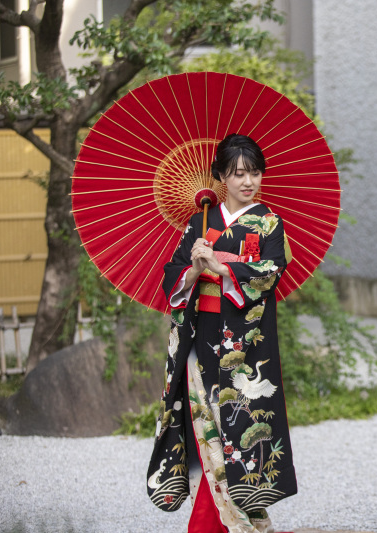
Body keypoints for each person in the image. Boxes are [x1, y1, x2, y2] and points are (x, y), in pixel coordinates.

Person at [147, 134, 296, 533]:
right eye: (238, 174)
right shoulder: (200, 222)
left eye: (255, 173)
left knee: (239, 434)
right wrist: (196, 268)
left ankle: (238, 520)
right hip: (202, 339)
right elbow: (172, 279)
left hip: (245, 346)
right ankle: (214, 523)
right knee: (206, 433)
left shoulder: (268, 223)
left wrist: (222, 266)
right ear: (220, 178)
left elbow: (270, 272)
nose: (249, 182)